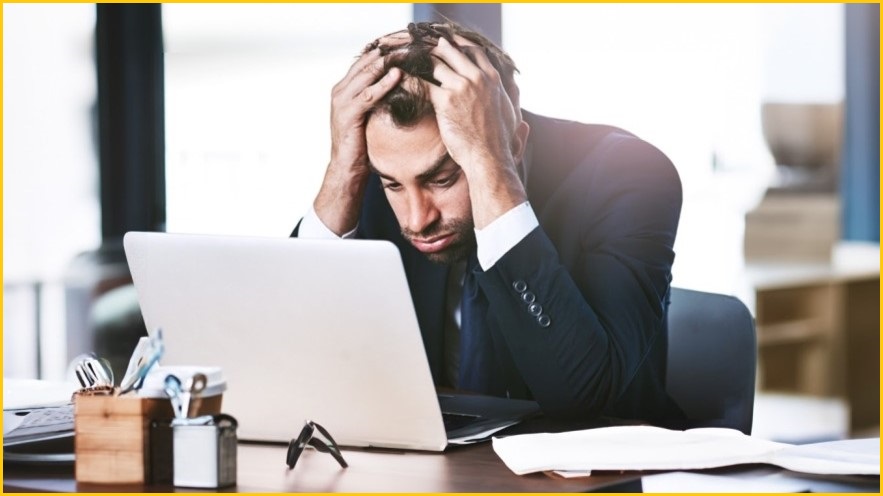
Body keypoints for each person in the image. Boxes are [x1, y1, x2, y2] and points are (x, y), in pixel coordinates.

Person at [293, 21, 685, 426]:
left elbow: (583, 396)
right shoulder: (389, 165)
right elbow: (288, 359)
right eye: (392, 184)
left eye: (443, 179)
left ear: (515, 143)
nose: (417, 218)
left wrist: (491, 168)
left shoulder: (632, 174)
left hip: (599, 473)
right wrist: (343, 169)